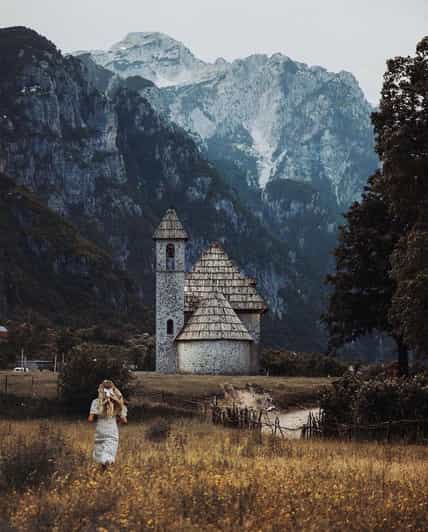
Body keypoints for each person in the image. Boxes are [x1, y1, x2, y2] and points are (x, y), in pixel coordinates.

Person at [88, 379, 128, 468]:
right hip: (112, 431)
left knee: (99, 453)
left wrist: (100, 412)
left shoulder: (96, 402)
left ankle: (101, 474)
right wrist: (118, 419)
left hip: (100, 431)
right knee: (108, 455)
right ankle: (107, 471)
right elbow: (124, 421)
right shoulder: (117, 404)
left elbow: (90, 419)